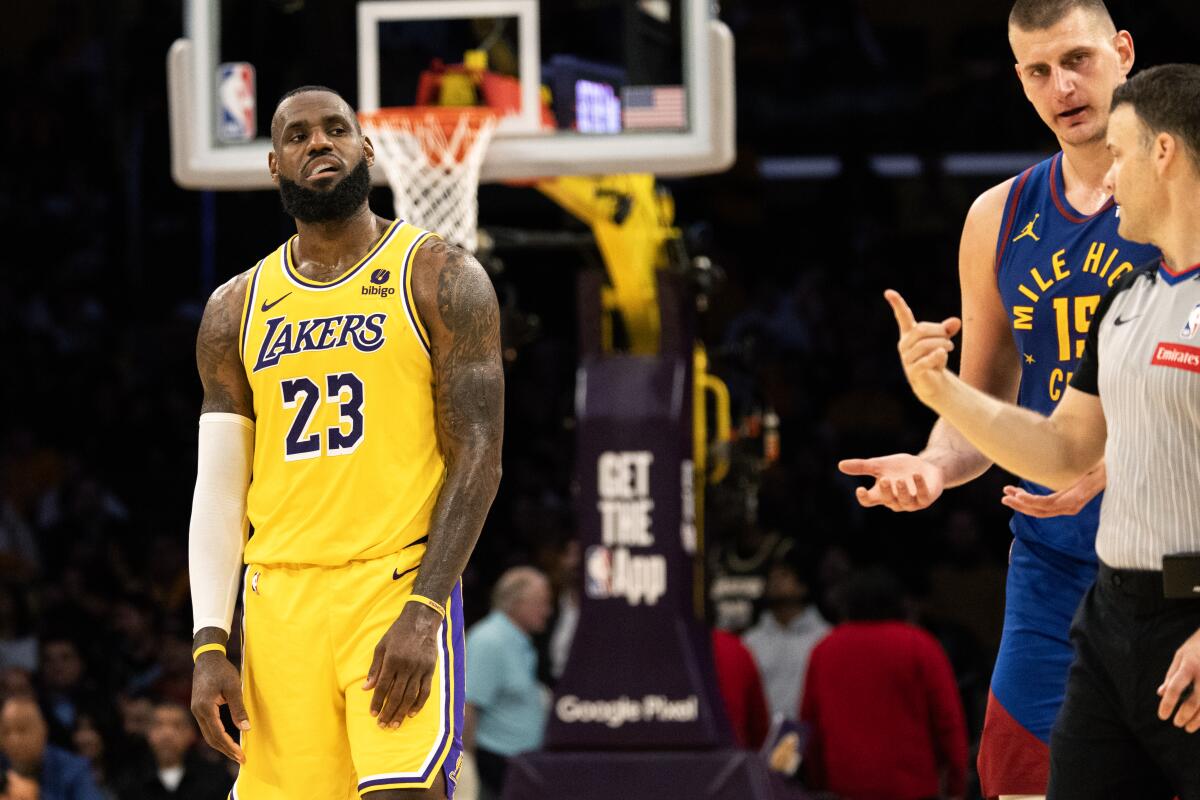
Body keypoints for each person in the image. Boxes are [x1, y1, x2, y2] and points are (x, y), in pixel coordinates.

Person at [837, 2, 1158, 795]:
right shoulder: (999, 216)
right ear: (1019, 82)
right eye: (1039, 71)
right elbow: (985, 401)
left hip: (1172, 554)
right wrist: (935, 464)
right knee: (1020, 783)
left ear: (1122, 52)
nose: (1064, 85)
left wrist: (1121, 460)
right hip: (1055, 561)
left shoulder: (1180, 193)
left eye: (1078, 59)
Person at [885, 62, 1200, 799]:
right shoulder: (1128, 300)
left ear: (1163, 154)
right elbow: (1062, 452)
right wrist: (943, 393)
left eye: (1119, 157)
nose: (1108, 182)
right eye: (1035, 70)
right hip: (1107, 613)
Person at [186, 85, 504, 799]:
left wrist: (425, 610)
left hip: (391, 587)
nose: (319, 143)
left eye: (336, 129)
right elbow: (219, 489)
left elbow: (479, 454)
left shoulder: (440, 277)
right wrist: (210, 640)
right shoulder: (234, 309)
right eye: (299, 136)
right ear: (275, 164)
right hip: (278, 605)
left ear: (366, 148)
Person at [800, 567, 968, 800]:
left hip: (846, 789)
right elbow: (948, 721)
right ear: (899, 602)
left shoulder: (824, 649)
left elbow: (809, 725)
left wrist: (817, 782)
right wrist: (956, 785)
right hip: (913, 789)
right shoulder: (920, 645)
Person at [463, 568, 552, 799]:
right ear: (517, 602)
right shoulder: (489, 640)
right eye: (541, 603)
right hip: (492, 770)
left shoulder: (520, 641)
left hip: (517, 768)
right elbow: (468, 708)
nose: (548, 611)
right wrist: (467, 771)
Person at [742, 559, 830, 723]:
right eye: (771, 578)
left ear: (803, 587)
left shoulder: (824, 638)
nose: (776, 582)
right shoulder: (750, 641)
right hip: (762, 738)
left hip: (810, 735)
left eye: (784, 576)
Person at [116, 702, 230, 799]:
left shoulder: (215, 778)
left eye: (177, 726)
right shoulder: (130, 779)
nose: (167, 734)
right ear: (148, 732)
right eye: (158, 725)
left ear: (192, 733)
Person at [0, 696, 102, 800]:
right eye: (6, 731)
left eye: (22, 730)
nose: (14, 739)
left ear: (43, 730)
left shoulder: (74, 769)